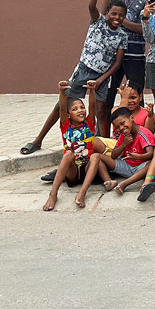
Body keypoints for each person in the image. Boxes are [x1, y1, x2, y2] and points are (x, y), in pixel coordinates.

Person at [22, 0, 127, 156]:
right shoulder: (97, 22)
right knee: (62, 106)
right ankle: (38, 140)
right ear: (107, 13)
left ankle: (107, 150)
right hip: (83, 71)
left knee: (101, 112)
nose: (117, 17)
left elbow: (117, 63)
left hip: (102, 77)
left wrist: (101, 80)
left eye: (121, 15)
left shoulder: (122, 36)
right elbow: (91, 5)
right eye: (114, 13)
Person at [43, 80, 106, 211]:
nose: (80, 111)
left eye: (82, 107)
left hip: (87, 170)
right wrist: (61, 92)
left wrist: (92, 91)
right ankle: (53, 194)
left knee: (95, 156)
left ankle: (82, 193)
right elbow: (61, 107)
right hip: (72, 174)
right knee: (68, 155)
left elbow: (93, 106)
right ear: (68, 115)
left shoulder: (89, 124)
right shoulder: (66, 125)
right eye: (75, 109)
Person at [100, 0, 147, 128]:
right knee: (108, 94)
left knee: (136, 95)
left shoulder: (144, 2)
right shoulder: (116, 0)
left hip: (136, 57)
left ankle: (139, 131)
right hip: (113, 58)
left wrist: (119, 19)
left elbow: (142, 29)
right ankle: (104, 131)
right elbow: (103, 13)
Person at [83, 106, 155, 205]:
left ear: (132, 118)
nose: (121, 128)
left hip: (141, 167)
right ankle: (109, 181)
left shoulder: (143, 133)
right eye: (117, 127)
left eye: (122, 123)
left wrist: (137, 157)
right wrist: (124, 144)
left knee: (153, 164)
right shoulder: (123, 136)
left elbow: (150, 154)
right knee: (96, 156)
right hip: (127, 166)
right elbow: (113, 155)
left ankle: (125, 183)